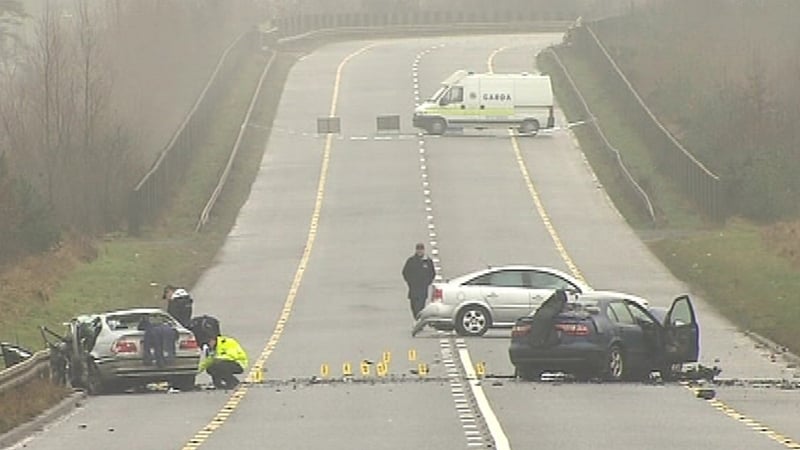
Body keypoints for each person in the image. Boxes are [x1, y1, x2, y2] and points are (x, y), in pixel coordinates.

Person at [402, 242, 436, 320]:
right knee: (413, 305)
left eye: (421, 250)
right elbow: (405, 272)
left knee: (420, 306)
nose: (420, 251)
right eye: (418, 250)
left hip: (423, 288)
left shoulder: (428, 261)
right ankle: (416, 318)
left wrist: (428, 282)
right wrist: (409, 282)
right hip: (413, 287)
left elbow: (432, 273)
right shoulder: (411, 260)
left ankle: (419, 321)